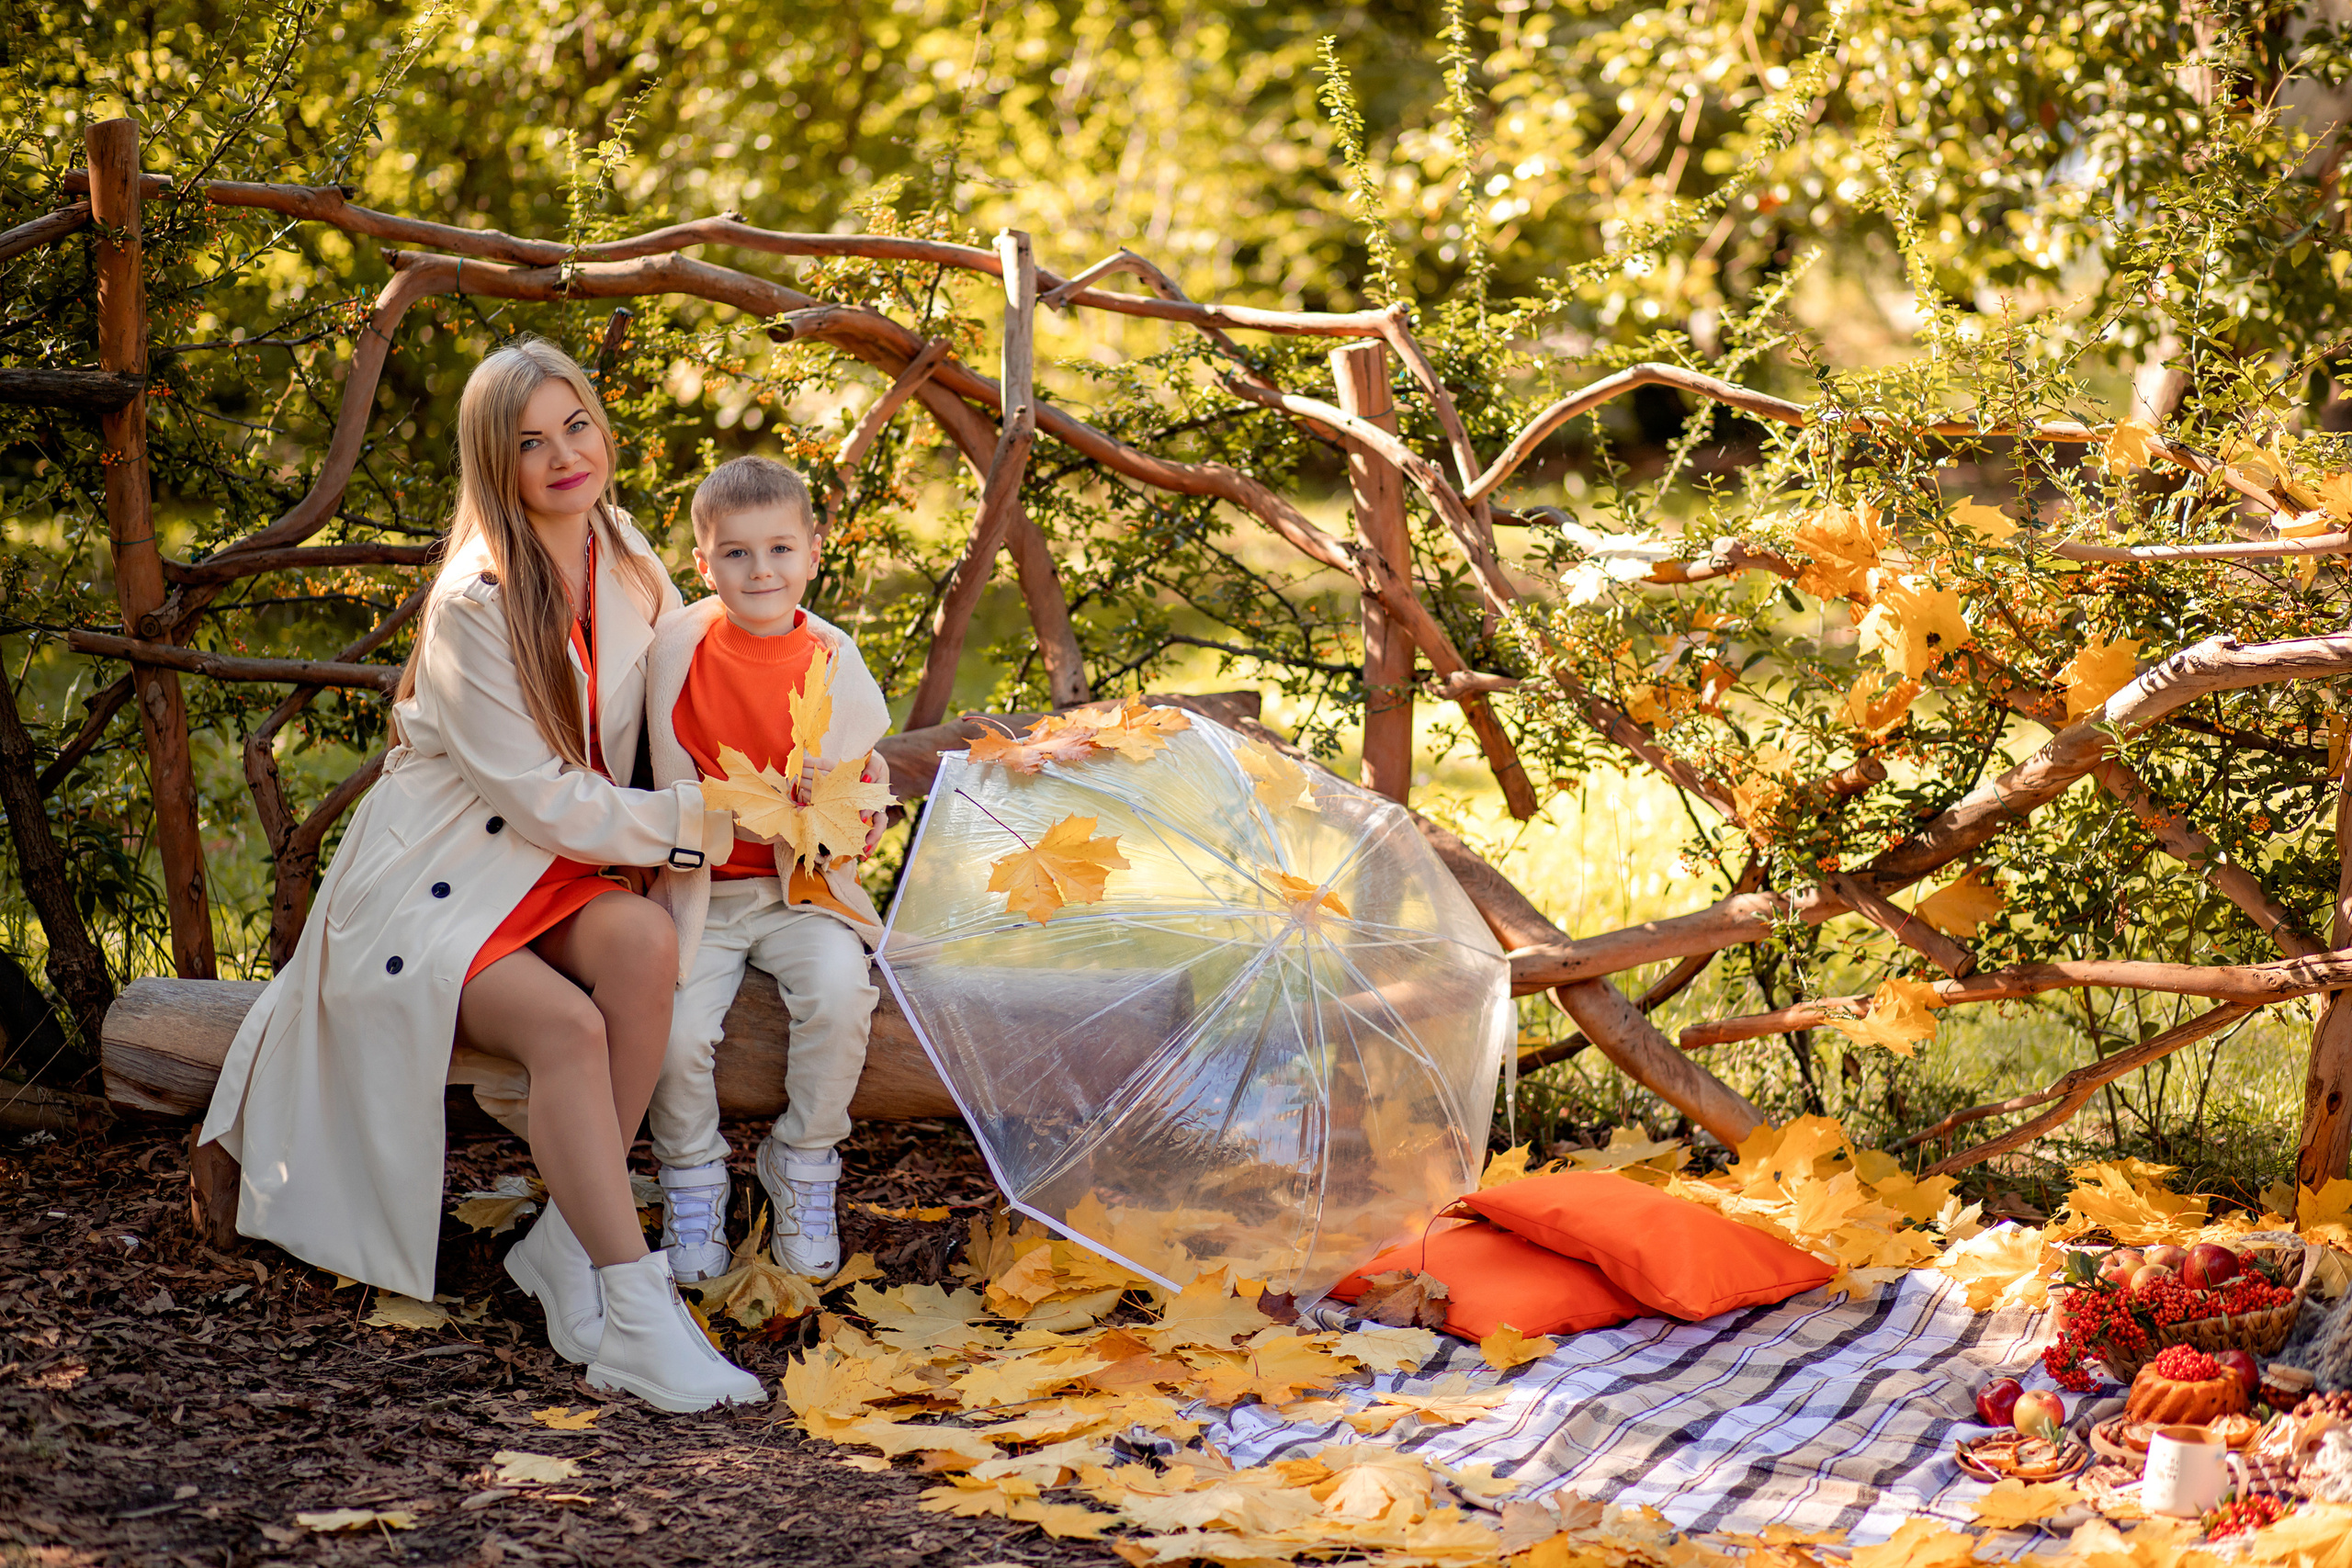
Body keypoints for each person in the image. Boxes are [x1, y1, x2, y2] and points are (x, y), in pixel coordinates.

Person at [198, 337, 763, 1412]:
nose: (562, 457)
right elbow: (538, 795)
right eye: (529, 443)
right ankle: (637, 1309)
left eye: (577, 427)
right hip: (442, 870)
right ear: (492, 466)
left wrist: (790, 771)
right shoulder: (474, 601)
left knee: (647, 948)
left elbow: (675, 703)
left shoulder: (627, 552)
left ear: (604, 428)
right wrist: (694, 826)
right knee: (567, 1030)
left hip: (555, 860)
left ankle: (563, 1243)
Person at [641, 456, 891, 1282]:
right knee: (673, 1029)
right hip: (701, 888)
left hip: (801, 892)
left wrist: (838, 798)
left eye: (780, 549)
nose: (761, 570)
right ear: (703, 564)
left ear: (814, 554)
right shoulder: (674, 653)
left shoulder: (831, 660)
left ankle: (804, 1159)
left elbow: (867, 811)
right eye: (737, 554)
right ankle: (691, 1173)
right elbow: (639, 765)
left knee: (840, 991)